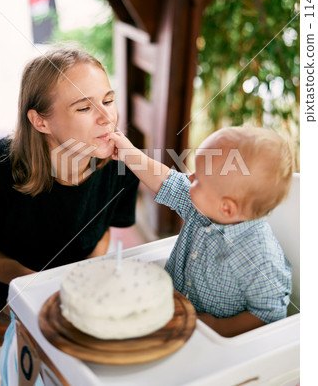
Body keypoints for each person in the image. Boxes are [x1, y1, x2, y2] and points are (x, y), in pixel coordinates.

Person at [0, 45, 139, 384]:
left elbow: (103, 232)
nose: (107, 117)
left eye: (108, 100)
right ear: (40, 120)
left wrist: (79, 287)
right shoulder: (3, 168)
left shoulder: (123, 166)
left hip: (72, 300)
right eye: (83, 107)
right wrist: (39, 292)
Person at [108, 125, 293, 337]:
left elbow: (270, 315)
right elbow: (166, 181)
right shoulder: (206, 206)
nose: (189, 178)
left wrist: (215, 327)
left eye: (198, 179)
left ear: (227, 207)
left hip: (213, 343)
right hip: (170, 311)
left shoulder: (260, 257)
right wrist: (129, 153)